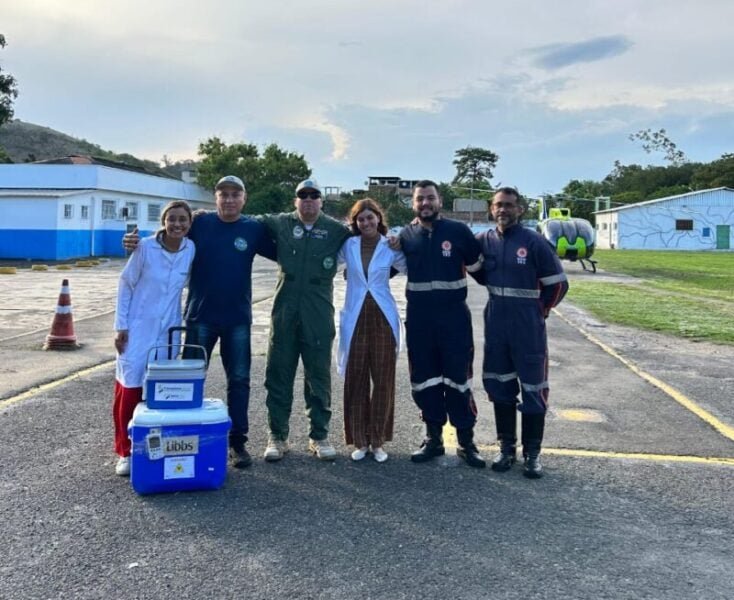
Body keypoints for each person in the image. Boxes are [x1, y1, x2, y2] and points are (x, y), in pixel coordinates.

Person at [123, 175, 276, 469]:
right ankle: (184, 436)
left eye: (235, 194)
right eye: (223, 194)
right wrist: (134, 242)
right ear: (215, 198)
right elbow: (169, 232)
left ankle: (237, 442)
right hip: (200, 318)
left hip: (237, 319)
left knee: (239, 380)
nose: (229, 199)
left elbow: (286, 254)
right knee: (188, 381)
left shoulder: (253, 228)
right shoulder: (200, 223)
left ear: (244, 198)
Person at [470, 187, 568, 478]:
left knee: (533, 389)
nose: (503, 210)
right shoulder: (484, 240)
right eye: (498, 205)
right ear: (491, 209)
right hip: (496, 323)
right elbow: (473, 267)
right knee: (500, 386)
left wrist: (540, 311)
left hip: (528, 327)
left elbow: (558, 284)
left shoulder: (534, 242)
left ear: (520, 209)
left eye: (509, 205)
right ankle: (506, 449)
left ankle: (532, 454)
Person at [259, 179, 351, 461]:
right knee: (278, 375)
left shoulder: (337, 230)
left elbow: (371, 236)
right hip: (285, 311)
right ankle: (277, 436)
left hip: (318, 313)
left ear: (321, 201)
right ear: (295, 201)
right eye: (303, 195)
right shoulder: (280, 223)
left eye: (314, 195)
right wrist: (205, 216)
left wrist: (395, 239)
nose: (308, 200)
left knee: (318, 377)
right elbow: (243, 221)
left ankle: (319, 436)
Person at [398, 180, 486, 468]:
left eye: (430, 198)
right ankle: (433, 439)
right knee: (425, 380)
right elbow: (381, 268)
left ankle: (466, 442)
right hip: (420, 320)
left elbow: (482, 270)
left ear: (440, 201)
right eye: (420, 199)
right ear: (413, 203)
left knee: (459, 380)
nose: (425, 203)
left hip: (454, 319)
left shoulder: (458, 232)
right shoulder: (405, 236)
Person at [113, 200, 195, 476]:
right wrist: (121, 326)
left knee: (162, 389)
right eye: (172, 219)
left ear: (190, 224)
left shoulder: (190, 249)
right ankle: (125, 451)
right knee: (130, 387)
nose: (177, 224)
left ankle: (153, 444)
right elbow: (126, 283)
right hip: (138, 328)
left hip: (168, 330)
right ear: (163, 222)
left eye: (183, 219)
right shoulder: (145, 247)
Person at [337, 198, 407, 463]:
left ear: (378, 218)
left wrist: (403, 242)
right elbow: (327, 261)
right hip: (355, 316)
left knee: (383, 380)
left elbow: (411, 265)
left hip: (382, 317)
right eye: (361, 219)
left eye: (370, 217)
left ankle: (377, 440)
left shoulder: (390, 246)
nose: (366, 223)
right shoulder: (349, 245)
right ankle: (360, 440)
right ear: (355, 223)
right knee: (355, 378)